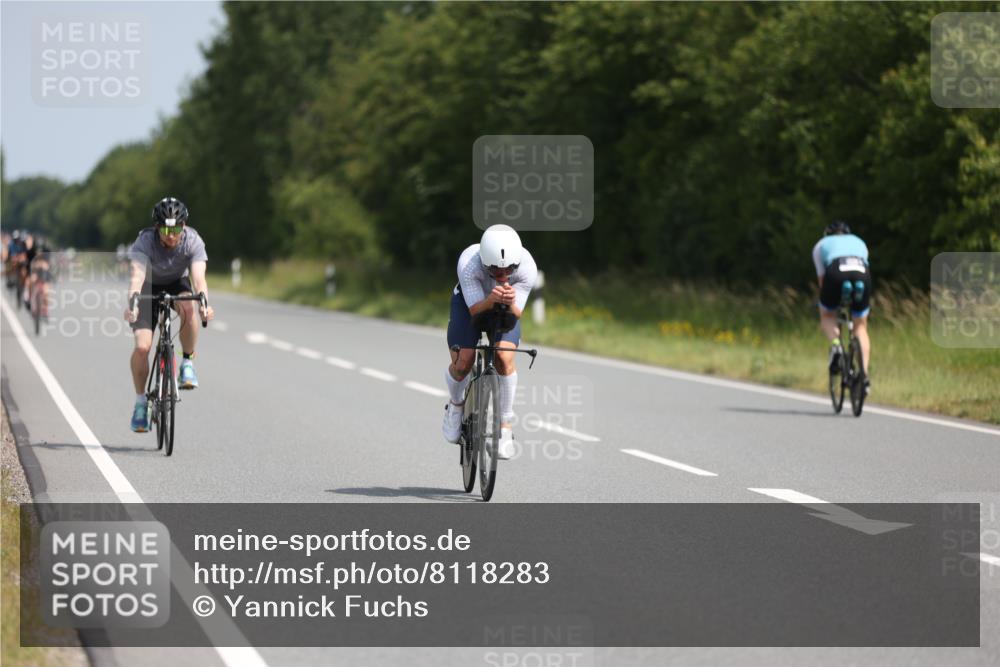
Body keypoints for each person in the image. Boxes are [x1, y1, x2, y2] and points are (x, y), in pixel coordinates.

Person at [442, 224, 537, 459]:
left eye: (509, 269)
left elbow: (516, 314)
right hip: (469, 304)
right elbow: (476, 311)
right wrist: (491, 299)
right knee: (463, 362)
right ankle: (455, 405)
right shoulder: (469, 262)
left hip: (505, 307)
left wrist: (509, 301)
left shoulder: (527, 266)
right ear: (485, 263)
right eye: (495, 270)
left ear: (517, 262)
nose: (503, 275)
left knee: (504, 357)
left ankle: (505, 425)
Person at [123, 197, 214, 432]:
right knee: (142, 347)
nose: (171, 236)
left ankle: (187, 363)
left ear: (184, 226)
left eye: (175, 230)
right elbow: (137, 277)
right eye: (165, 230)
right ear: (156, 228)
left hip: (177, 283)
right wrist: (133, 304)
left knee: (188, 307)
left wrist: (204, 304)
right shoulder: (144, 241)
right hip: (148, 286)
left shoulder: (193, 240)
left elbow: (199, 280)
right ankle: (140, 403)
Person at [812, 221, 871, 395]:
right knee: (860, 326)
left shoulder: (820, 245)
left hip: (836, 271)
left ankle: (836, 344)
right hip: (862, 273)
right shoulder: (860, 241)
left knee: (827, 316)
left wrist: (828, 305)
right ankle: (864, 375)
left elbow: (822, 281)